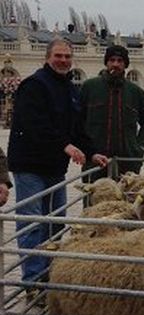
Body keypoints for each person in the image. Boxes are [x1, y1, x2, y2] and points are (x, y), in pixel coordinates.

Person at [7, 39, 108, 287]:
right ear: (47, 57)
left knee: (56, 220)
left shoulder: (71, 89)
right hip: (30, 165)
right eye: (58, 56)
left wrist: (92, 152)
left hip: (54, 166)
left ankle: (48, 272)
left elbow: (77, 129)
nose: (63, 60)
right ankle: (34, 282)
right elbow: (35, 124)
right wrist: (65, 145)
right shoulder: (34, 85)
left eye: (67, 56)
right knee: (33, 222)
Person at [81, 45, 144, 181]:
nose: (115, 64)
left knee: (127, 200)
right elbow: (77, 120)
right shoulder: (90, 87)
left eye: (120, 60)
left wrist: (139, 147)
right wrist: (85, 149)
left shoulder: (135, 91)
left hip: (128, 162)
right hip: (95, 161)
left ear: (125, 64)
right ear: (106, 63)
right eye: (112, 60)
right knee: (95, 200)